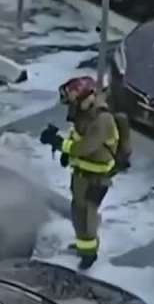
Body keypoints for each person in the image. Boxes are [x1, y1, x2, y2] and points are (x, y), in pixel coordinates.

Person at [39, 76, 120, 269]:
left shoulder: (102, 119)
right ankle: (83, 245)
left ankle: (89, 253)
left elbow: (85, 147)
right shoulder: (84, 114)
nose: (71, 107)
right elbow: (76, 137)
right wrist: (67, 154)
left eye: (73, 101)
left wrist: (59, 144)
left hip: (97, 178)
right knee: (77, 211)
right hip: (81, 173)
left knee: (88, 215)